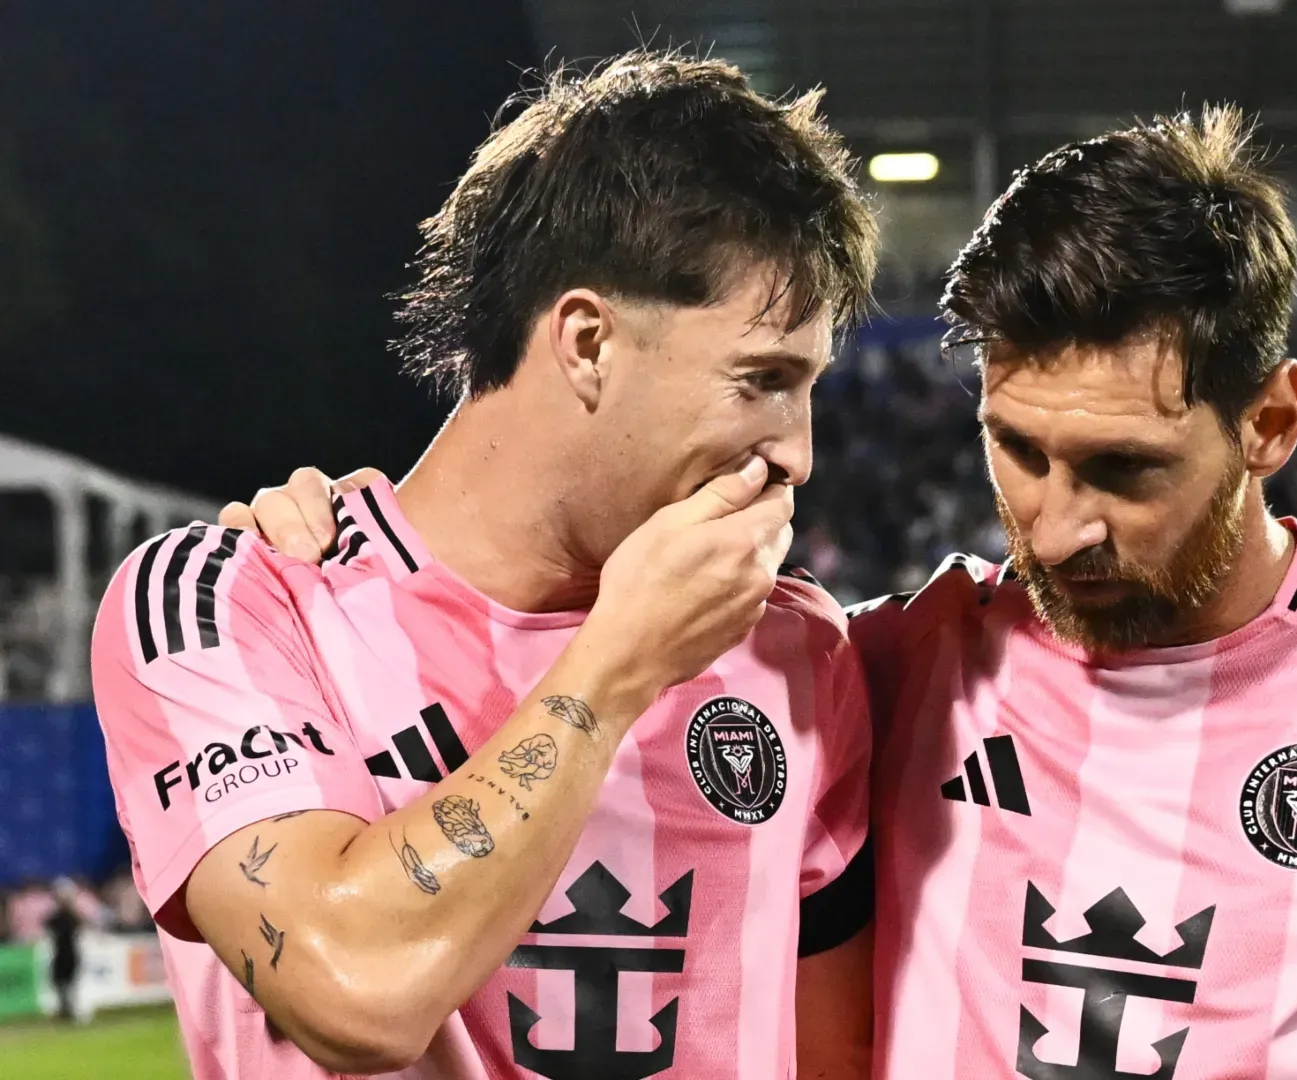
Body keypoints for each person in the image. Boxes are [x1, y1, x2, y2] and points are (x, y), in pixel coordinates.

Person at [229, 109, 1297, 1079]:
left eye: (1123, 467)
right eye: (1017, 449)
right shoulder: (902, 666)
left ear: (1274, 424)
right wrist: (345, 536)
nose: (1059, 524)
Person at [91, 51, 878, 1079]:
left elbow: (833, 1053)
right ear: (588, 342)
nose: (798, 452)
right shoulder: (233, 605)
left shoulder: (797, 653)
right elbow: (353, 990)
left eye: (807, 386)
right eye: (762, 380)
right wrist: (614, 670)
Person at [45, 877, 84, 1022]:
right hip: (61, 954)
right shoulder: (61, 917)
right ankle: (65, 1010)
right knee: (60, 983)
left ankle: (69, 1011)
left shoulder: (70, 917)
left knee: (68, 984)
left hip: (69, 954)